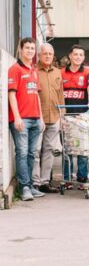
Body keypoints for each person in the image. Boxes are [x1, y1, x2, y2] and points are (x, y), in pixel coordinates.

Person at [8, 37, 46, 200]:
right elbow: (11, 94)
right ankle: (24, 188)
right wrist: (17, 117)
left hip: (36, 119)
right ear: (21, 49)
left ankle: (30, 186)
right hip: (21, 119)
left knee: (31, 154)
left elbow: (36, 95)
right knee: (22, 153)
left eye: (32, 48)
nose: (30, 51)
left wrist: (41, 118)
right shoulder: (15, 69)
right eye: (27, 48)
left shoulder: (34, 70)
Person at [61, 45, 89, 189]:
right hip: (65, 117)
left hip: (82, 117)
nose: (77, 57)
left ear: (83, 58)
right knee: (67, 149)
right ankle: (67, 179)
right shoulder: (61, 73)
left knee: (82, 149)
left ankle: (82, 179)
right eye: (75, 54)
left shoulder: (88, 72)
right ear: (70, 56)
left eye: (81, 55)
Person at [33, 43, 65, 193]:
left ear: (53, 56)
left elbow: (60, 95)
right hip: (38, 117)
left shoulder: (57, 72)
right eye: (44, 53)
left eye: (50, 54)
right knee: (36, 150)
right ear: (39, 55)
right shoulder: (33, 71)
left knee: (50, 150)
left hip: (55, 116)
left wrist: (62, 116)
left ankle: (45, 182)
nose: (47, 56)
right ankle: (35, 182)